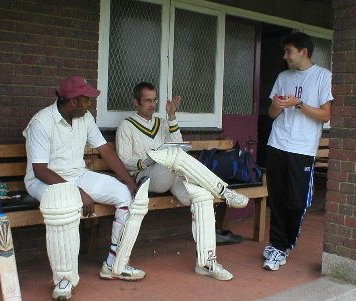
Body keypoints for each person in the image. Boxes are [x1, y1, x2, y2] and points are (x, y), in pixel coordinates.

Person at [23, 76, 150, 301]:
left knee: (125, 195)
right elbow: (41, 170)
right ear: (73, 101)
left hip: (78, 175)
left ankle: (115, 264)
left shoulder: (85, 117)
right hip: (43, 181)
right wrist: (77, 192)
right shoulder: (41, 122)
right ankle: (64, 279)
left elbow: (105, 150)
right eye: (87, 99)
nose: (90, 103)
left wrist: (129, 182)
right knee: (66, 205)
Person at [116, 82, 249, 281]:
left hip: (172, 173)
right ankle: (223, 190)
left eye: (155, 100)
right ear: (136, 102)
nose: (152, 105)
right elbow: (125, 160)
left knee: (202, 196)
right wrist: (150, 159)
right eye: (147, 101)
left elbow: (177, 142)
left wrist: (171, 116)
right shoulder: (126, 125)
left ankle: (206, 262)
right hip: (148, 178)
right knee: (172, 157)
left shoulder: (161, 122)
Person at [263, 32, 332, 270]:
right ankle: (278, 246)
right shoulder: (283, 76)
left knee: (296, 202)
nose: (285, 57)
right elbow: (272, 115)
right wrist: (276, 105)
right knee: (278, 199)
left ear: (303, 51)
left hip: (302, 148)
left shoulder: (323, 76)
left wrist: (298, 104)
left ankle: (283, 243)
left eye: (288, 52)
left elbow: (326, 114)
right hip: (277, 143)